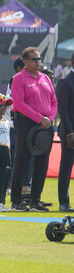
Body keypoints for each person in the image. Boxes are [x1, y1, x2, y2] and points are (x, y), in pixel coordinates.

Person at [9, 47, 57, 212]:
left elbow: (54, 101)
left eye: (39, 59)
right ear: (25, 62)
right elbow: (18, 104)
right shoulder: (18, 78)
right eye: (35, 59)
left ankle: (35, 200)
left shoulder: (45, 78)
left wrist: (49, 119)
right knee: (22, 161)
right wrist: (39, 118)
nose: (38, 62)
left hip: (46, 124)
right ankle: (16, 201)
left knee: (42, 163)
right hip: (26, 123)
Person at [57, 65, 74, 212]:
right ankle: (64, 202)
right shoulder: (66, 82)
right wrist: (69, 132)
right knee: (66, 167)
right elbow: (63, 110)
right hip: (70, 132)